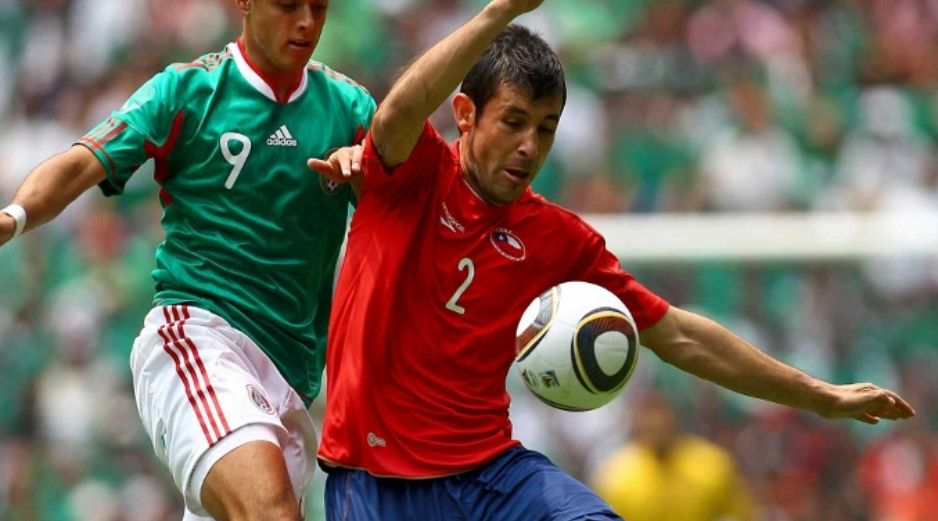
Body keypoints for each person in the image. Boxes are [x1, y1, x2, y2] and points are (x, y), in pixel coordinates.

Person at [308, 0, 915, 519]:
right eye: (513, 122)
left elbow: (678, 335)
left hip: (490, 473)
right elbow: (397, 113)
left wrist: (818, 395)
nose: (529, 147)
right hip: (376, 478)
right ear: (465, 114)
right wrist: (501, 12)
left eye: (545, 129)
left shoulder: (558, 238)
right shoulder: (413, 172)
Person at [0, 1, 375, 520]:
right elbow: (80, 164)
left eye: (319, 6)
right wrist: (13, 217)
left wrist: (370, 183)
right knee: (270, 513)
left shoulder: (350, 108)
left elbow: (410, 210)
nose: (307, 21)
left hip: (289, 380)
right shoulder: (186, 91)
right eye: (289, 5)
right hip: (197, 338)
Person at [590, 390, 757, 521]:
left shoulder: (713, 464)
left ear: (674, 415)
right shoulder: (615, 476)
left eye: (659, 412)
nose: (654, 422)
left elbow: (741, 514)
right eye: (646, 414)